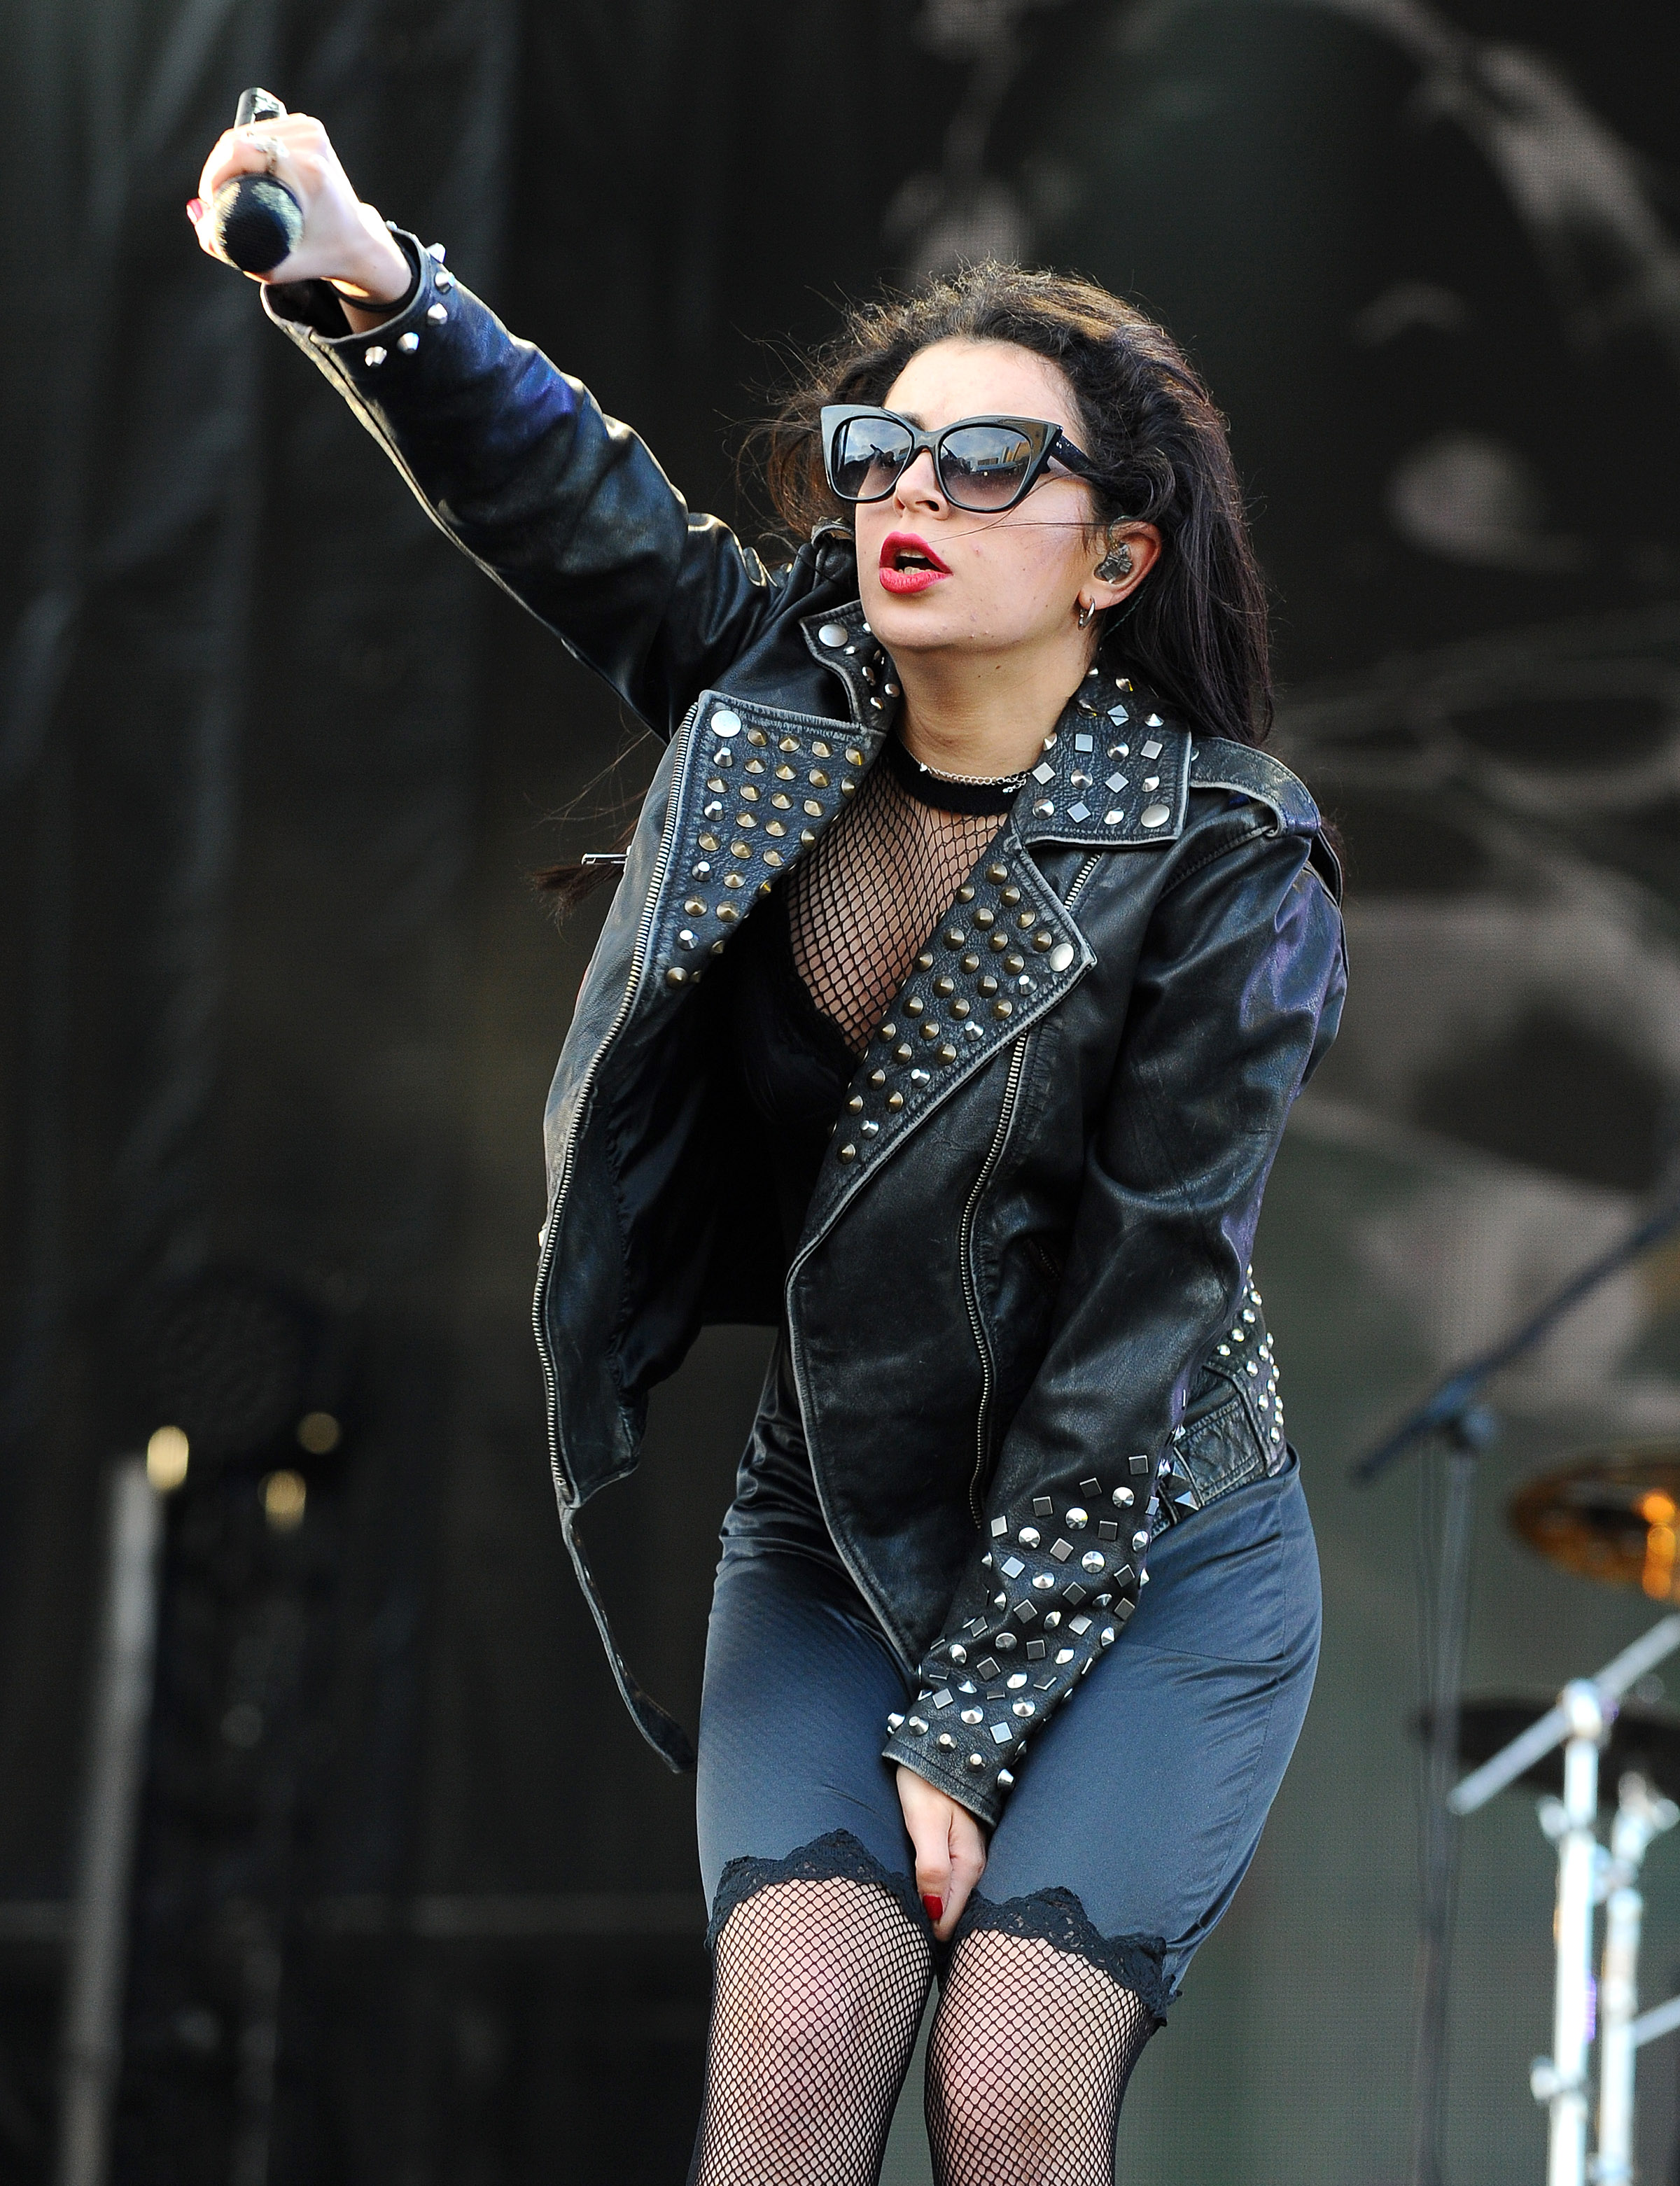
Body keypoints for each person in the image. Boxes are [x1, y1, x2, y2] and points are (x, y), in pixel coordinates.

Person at [193, 111, 1347, 2186]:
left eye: (987, 463)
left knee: (1011, 2076)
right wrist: (367, 276)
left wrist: (971, 1727)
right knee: (804, 2034)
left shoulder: (1227, 861)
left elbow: (1135, 1327)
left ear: (1117, 557)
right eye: (881, 453)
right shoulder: (768, 694)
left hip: (1150, 1548)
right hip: (834, 1524)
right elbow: (573, 501)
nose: (912, 493)